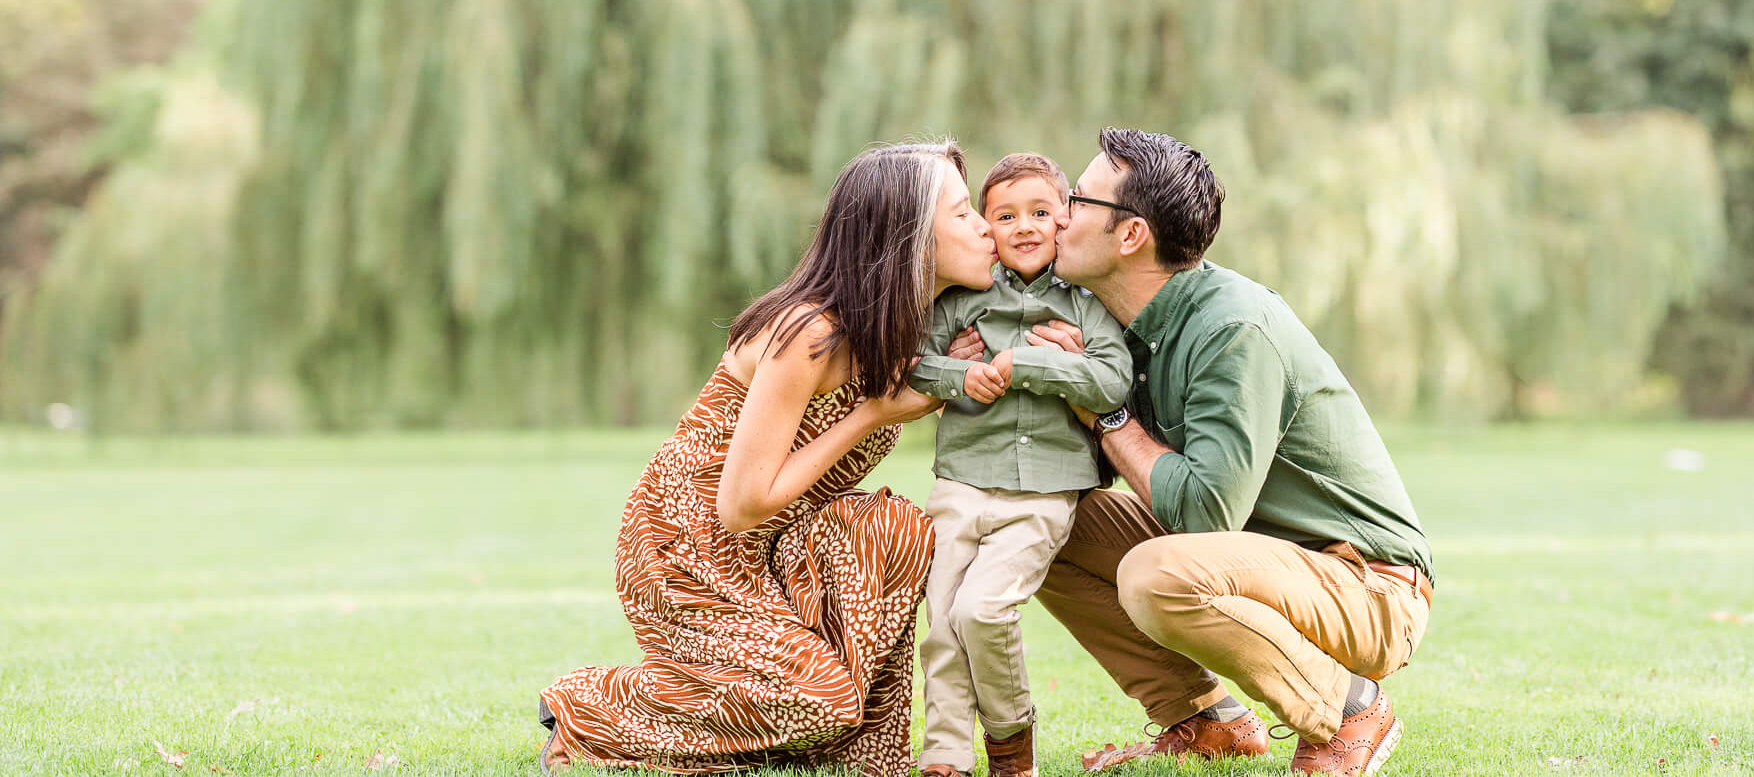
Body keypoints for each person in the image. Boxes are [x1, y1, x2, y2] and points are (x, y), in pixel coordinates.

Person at [535, 140, 997, 775]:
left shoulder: (908, 329)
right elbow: (742, 504)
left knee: (901, 533)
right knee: (820, 699)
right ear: (909, 236)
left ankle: (850, 748)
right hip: (688, 544)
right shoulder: (808, 331)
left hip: (782, 540)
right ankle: (588, 709)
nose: (985, 228)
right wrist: (872, 414)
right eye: (964, 213)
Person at [1036, 128, 1434, 777]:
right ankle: (1206, 722)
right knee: (1040, 527)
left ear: (1130, 234)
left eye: (1075, 201)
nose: (1056, 217)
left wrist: (1107, 415)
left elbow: (1202, 514)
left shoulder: (1231, 328)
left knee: (1156, 574)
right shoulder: (1123, 325)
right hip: (1259, 560)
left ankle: (1347, 710)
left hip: (1367, 584)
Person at [906, 154, 1133, 777]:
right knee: (944, 624)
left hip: (1044, 493)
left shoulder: (1085, 304)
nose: (1024, 226)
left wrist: (1034, 366)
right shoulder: (966, 297)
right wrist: (960, 374)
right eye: (1005, 215)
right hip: (962, 482)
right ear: (986, 225)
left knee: (983, 609)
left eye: (1040, 211)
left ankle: (1011, 743)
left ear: (1065, 217)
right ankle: (945, 756)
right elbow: (913, 361)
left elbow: (1113, 382)